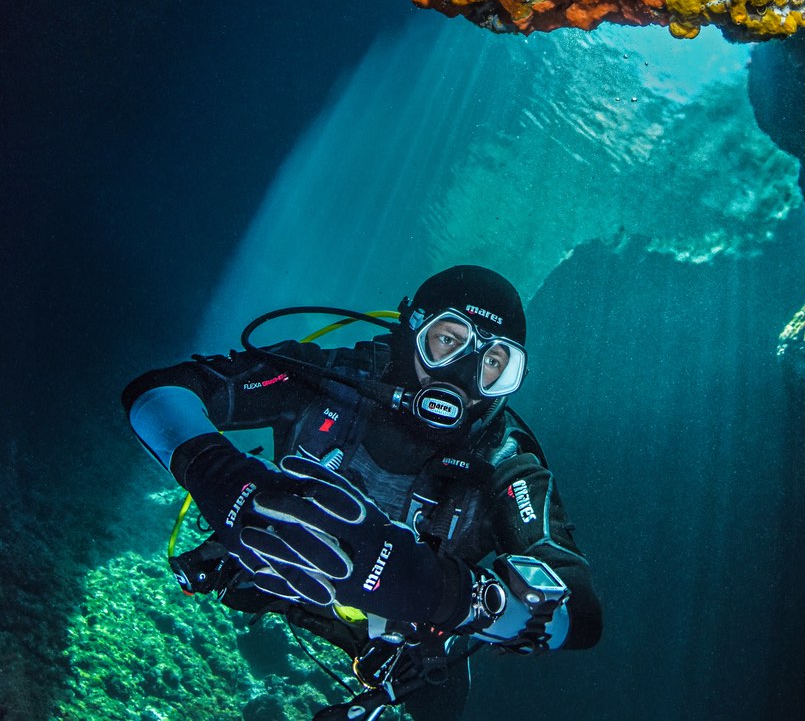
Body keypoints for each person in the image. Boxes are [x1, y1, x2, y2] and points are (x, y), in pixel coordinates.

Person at [123, 265, 602, 720]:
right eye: (448, 341)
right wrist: (226, 481)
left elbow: (579, 613)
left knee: (443, 705)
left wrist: (447, 593)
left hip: (400, 638)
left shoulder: (507, 462)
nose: (462, 376)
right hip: (272, 571)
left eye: (493, 363)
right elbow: (159, 392)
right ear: (412, 329)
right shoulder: (326, 377)